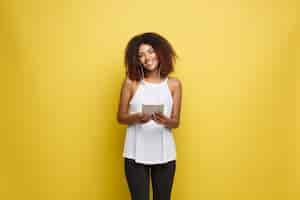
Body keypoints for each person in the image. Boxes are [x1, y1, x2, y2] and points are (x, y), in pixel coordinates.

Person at [117, 32, 182, 200]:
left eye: (151, 52)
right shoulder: (131, 82)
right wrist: (137, 117)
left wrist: (166, 120)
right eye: (141, 55)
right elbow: (121, 117)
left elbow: (176, 122)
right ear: (136, 60)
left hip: (165, 153)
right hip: (135, 153)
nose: (147, 58)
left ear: (161, 53)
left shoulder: (174, 84)